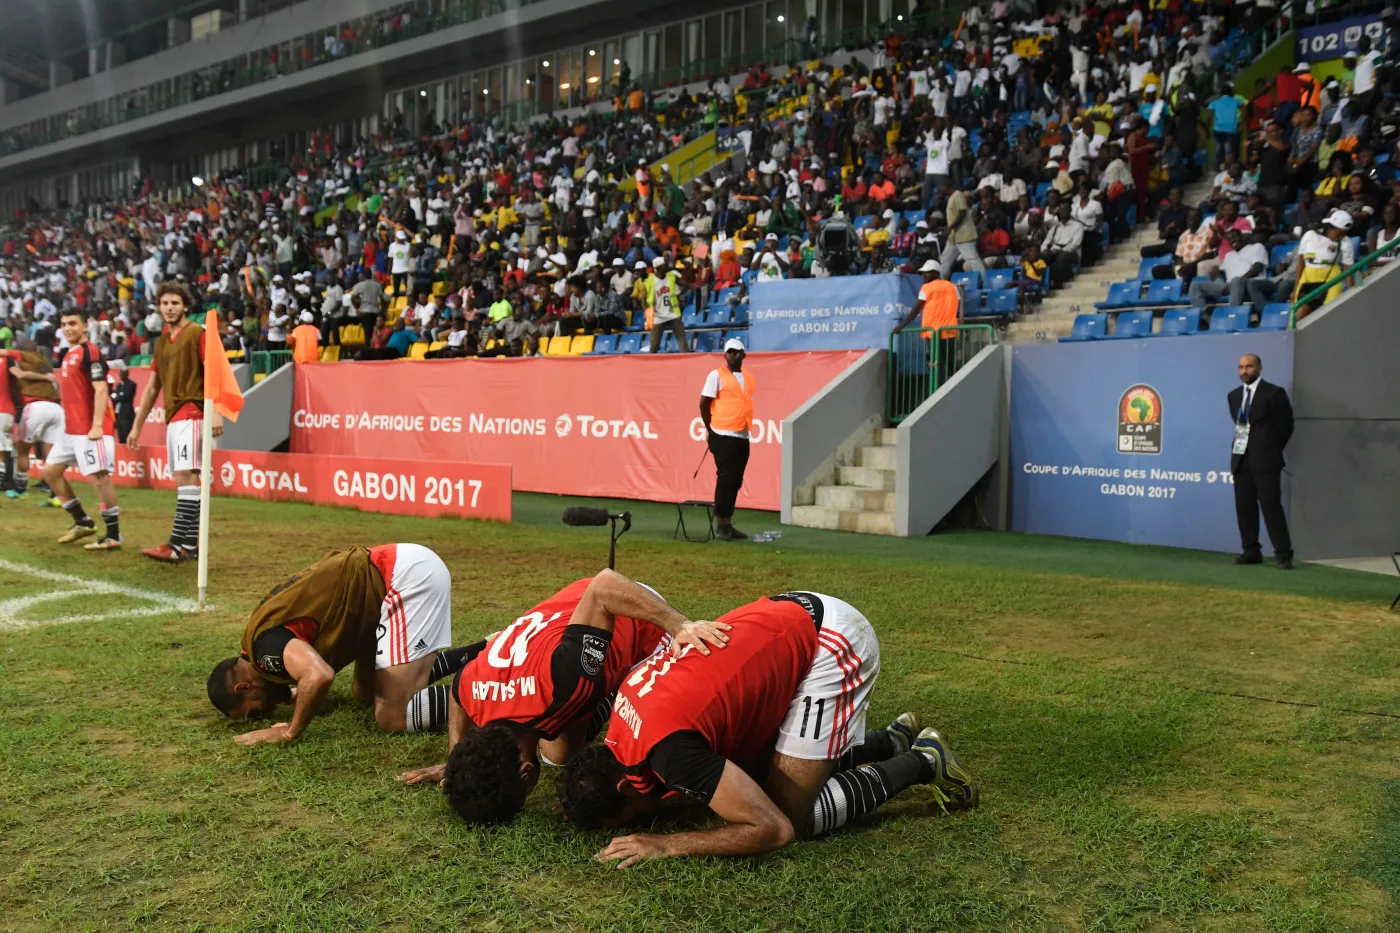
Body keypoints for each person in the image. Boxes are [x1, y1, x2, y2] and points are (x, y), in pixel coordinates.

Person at [560, 590, 978, 864]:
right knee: (758, 777)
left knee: (791, 814)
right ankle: (889, 742)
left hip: (832, 640)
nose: (645, 824)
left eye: (633, 819)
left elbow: (772, 830)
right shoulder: (622, 723)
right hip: (791, 613)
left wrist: (668, 844)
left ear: (625, 786)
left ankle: (924, 761)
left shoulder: (669, 753)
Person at [396, 570, 731, 824]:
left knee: (646, 720)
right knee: (559, 754)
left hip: (629, 610)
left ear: (526, 773)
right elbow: (459, 690)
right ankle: (602, 692)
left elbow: (605, 585)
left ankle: (616, 690)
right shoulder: (477, 693)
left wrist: (679, 624)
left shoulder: (562, 684)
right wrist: (457, 758)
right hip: (565, 624)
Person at [207, 543, 471, 742]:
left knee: (393, 716)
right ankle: (480, 651)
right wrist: (296, 693)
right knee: (365, 693)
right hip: (394, 570)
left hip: (404, 578)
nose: (269, 711)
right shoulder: (257, 640)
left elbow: (318, 676)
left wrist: (289, 731)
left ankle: (484, 691)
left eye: (256, 712)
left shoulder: (265, 652)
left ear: (245, 687)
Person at [126, 282, 221, 563]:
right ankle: (189, 546)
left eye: (175, 303)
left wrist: (216, 411)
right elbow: (152, 387)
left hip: (192, 411)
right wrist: (136, 426)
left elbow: (214, 370)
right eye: (165, 303)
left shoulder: (197, 333)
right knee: (185, 478)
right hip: (174, 416)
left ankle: (176, 545)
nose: (169, 308)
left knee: (186, 476)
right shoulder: (161, 342)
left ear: (185, 306)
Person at [39, 310, 122, 550]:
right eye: (64, 324)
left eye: (73, 324)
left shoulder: (90, 352)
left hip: (90, 430)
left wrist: (96, 425)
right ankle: (83, 521)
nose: (67, 328)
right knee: (50, 472)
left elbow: (101, 389)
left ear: (85, 326)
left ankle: (114, 535)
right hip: (71, 431)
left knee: (99, 480)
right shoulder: (69, 353)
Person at [1228, 354, 1293, 570]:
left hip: (1266, 462)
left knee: (1271, 507)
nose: (1244, 371)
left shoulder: (1274, 393)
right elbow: (1240, 426)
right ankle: (1251, 551)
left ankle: (1283, 554)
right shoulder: (1233, 396)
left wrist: (1269, 449)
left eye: (1249, 366)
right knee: (1244, 507)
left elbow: (1285, 427)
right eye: (1241, 367)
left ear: (1259, 369)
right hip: (1241, 460)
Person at [700, 338, 754, 542]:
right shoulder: (716, 376)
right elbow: (703, 404)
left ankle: (728, 522)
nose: (734, 355)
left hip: (742, 435)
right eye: (730, 351)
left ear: (744, 354)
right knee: (725, 478)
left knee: (736, 480)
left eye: (738, 351)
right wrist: (710, 430)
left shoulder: (748, 378)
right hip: (722, 435)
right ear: (725, 354)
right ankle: (721, 525)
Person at [5, 337, 63, 503]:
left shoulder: (22, 355)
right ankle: (55, 494)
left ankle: (20, 489)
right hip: (56, 408)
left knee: (23, 450)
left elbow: (3, 353)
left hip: (35, 406)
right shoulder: (43, 361)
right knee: (51, 455)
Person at [1291, 209, 1355, 318]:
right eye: (1340, 231)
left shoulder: (1345, 242)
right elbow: (1301, 263)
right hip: (1308, 276)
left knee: (1329, 312)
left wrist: (1351, 293)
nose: (1341, 234)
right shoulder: (1310, 236)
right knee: (1300, 310)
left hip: (1331, 277)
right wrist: (1295, 288)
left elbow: (1348, 270)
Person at [646, 255, 687, 353]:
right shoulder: (650, 281)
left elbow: (684, 284)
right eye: (664, 265)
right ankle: (650, 361)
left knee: (683, 343)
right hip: (658, 316)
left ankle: (686, 359)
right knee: (654, 346)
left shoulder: (671, 276)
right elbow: (643, 297)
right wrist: (648, 313)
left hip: (673, 313)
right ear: (658, 268)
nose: (667, 266)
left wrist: (682, 291)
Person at [109, 360, 136, 442]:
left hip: (127, 415)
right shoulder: (119, 385)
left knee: (127, 435)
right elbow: (115, 397)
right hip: (118, 414)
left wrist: (118, 396)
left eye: (122, 373)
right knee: (121, 437)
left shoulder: (131, 384)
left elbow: (126, 396)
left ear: (126, 374)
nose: (120, 375)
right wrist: (118, 396)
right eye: (120, 373)